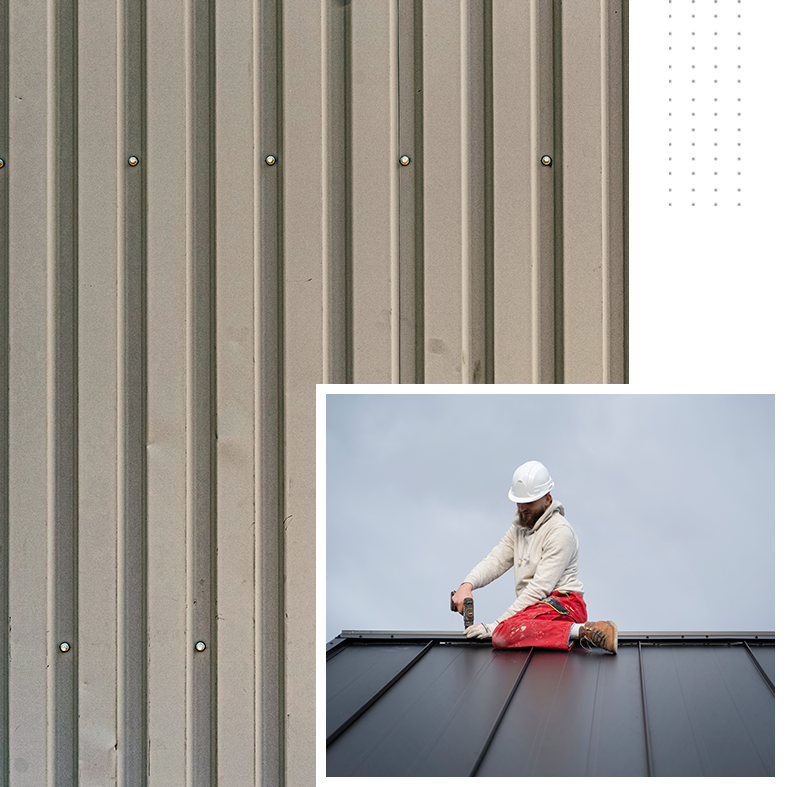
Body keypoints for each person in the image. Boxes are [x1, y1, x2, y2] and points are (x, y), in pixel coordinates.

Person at [450, 460, 618, 654]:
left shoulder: (560, 532)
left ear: (548, 499)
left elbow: (540, 588)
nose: (522, 507)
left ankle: (587, 631)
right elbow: (495, 560)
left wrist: (495, 625)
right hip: (536, 609)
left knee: (503, 634)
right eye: (518, 501)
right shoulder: (519, 529)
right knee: (506, 631)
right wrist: (467, 585)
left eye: (528, 501)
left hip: (564, 605)